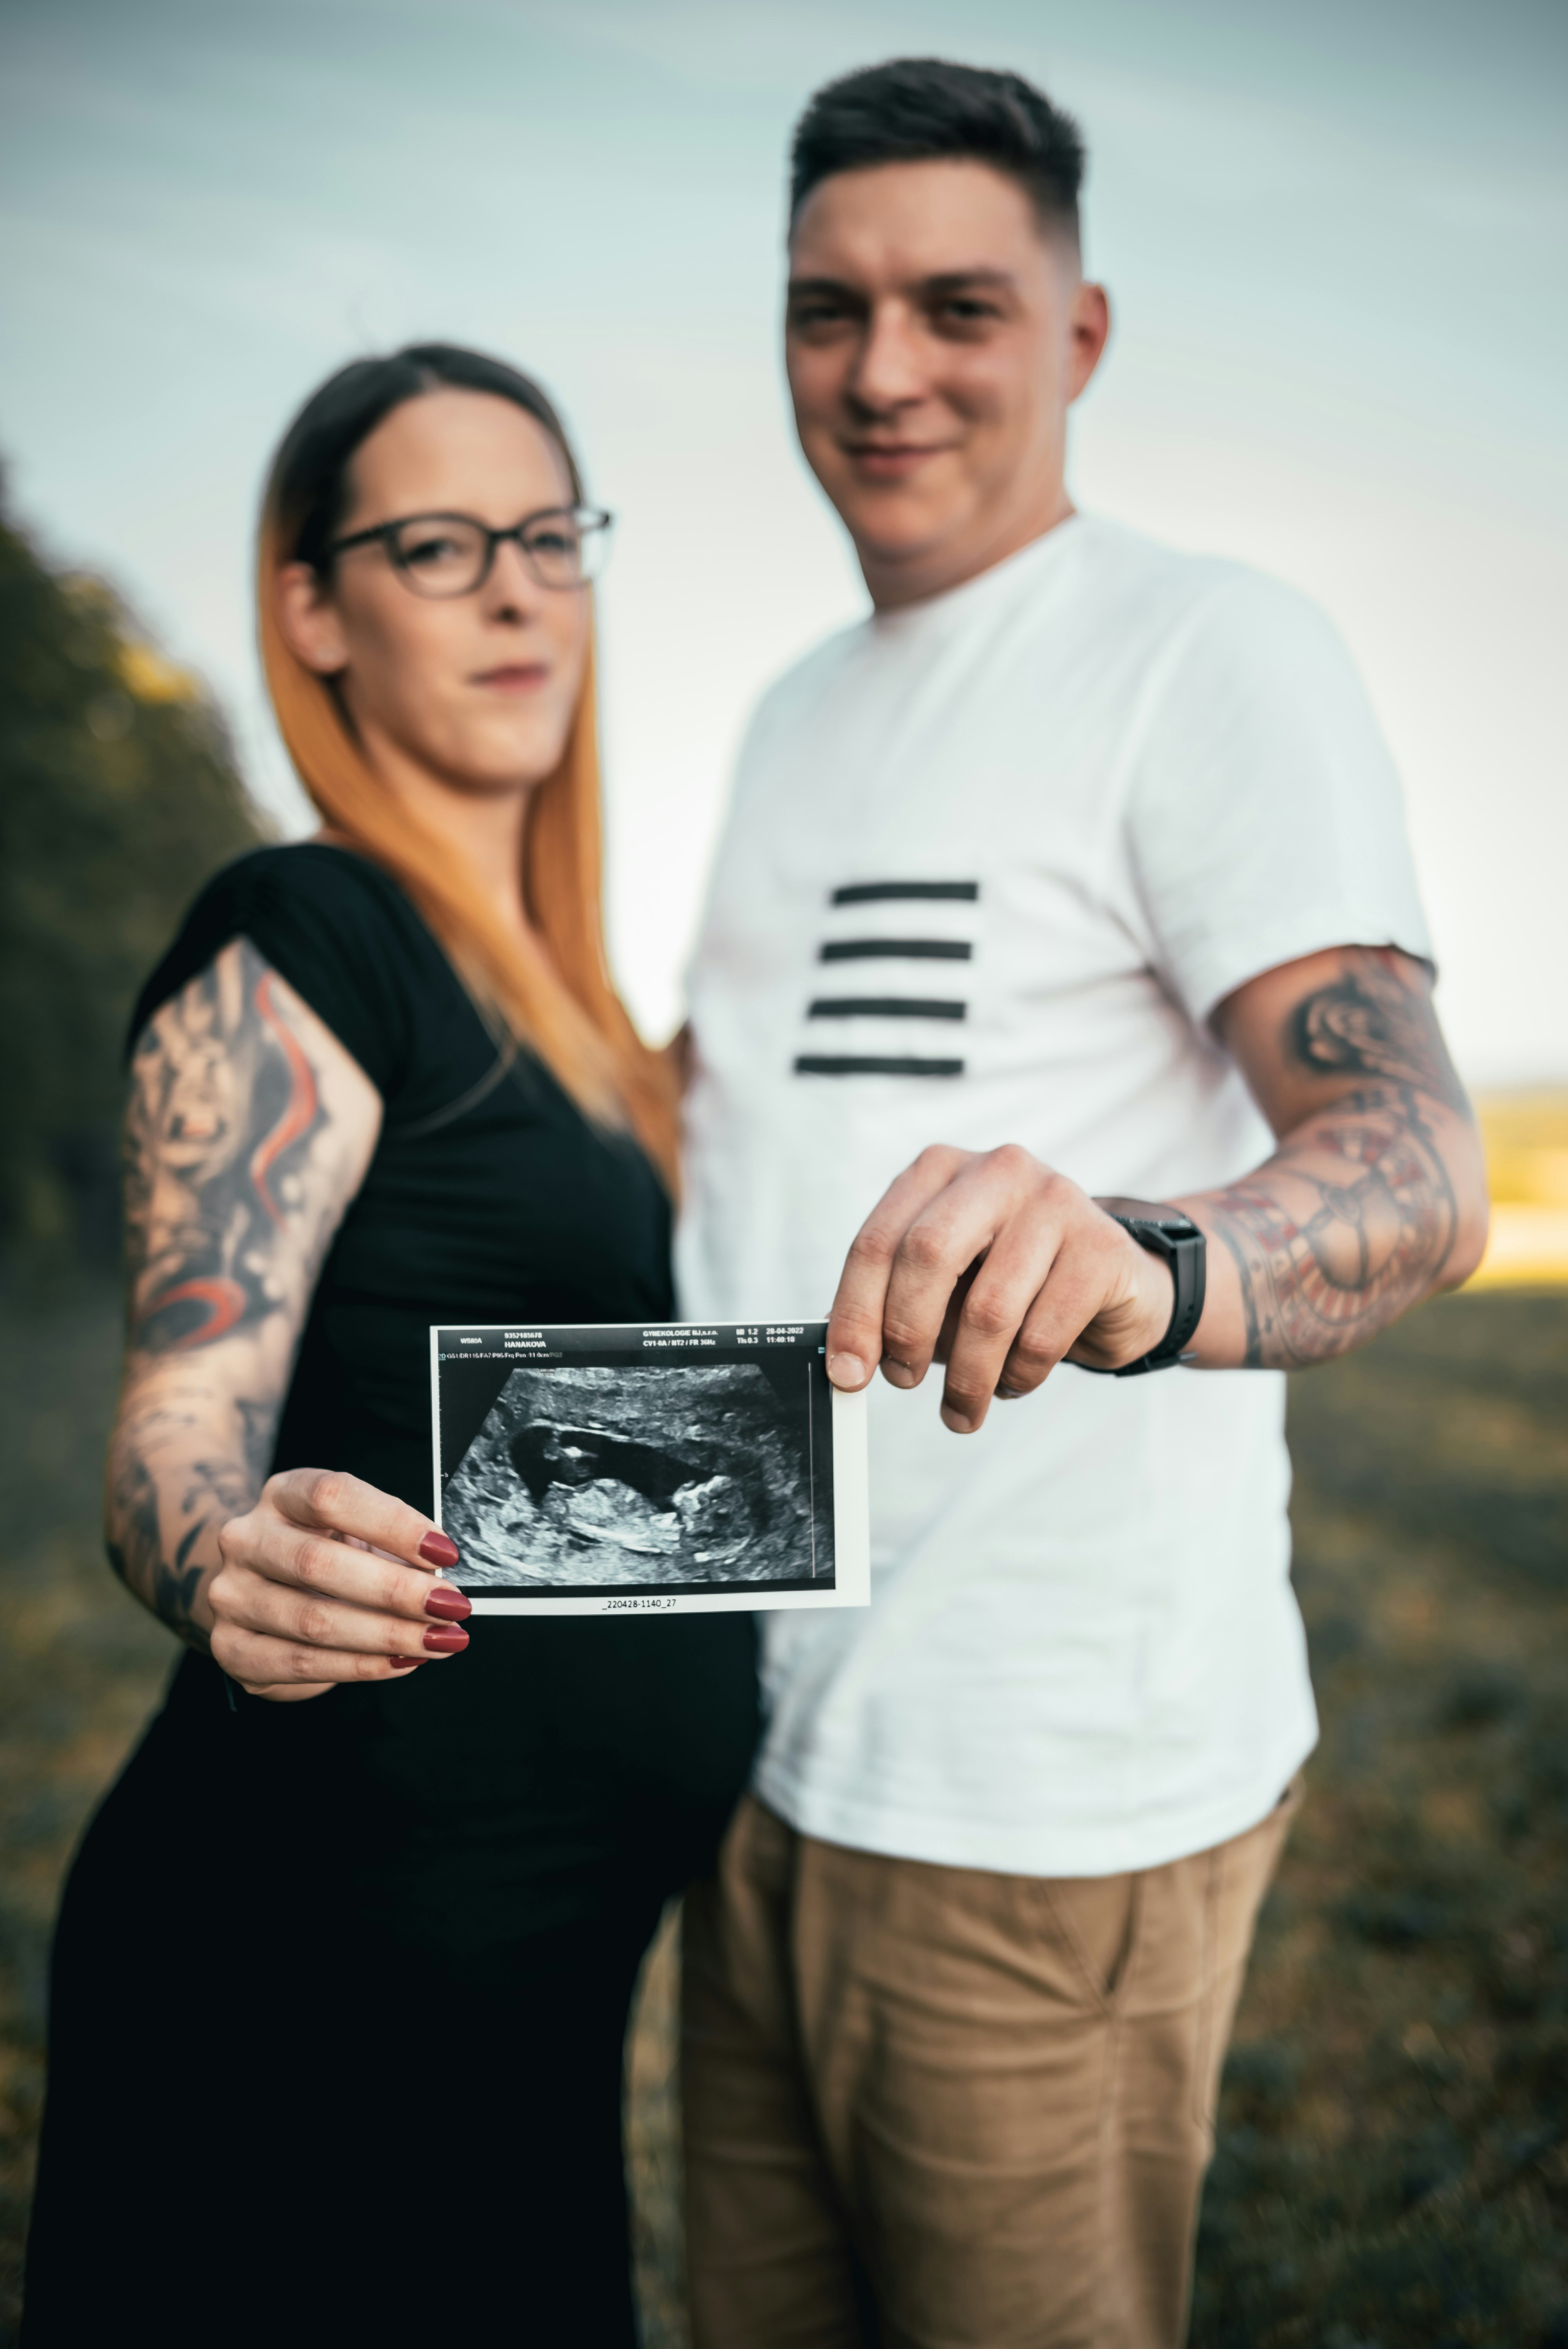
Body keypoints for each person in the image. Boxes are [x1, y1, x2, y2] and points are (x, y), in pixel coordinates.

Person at [676, 59, 1490, 2349]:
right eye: (827, 309)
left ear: (1083, 334)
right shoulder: (785, 714)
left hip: (1048, 1806)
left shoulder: (1205, 650)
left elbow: (1416, 1172)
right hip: (763, 1760)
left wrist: (1137, 1258)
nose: (886, 369)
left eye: (959, 304)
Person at [22, 344, 758, 2349]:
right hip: (310, 1980)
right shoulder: (304, 937)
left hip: (524, 1989)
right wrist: (223, 1557)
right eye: (438, 547)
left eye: (548, 536)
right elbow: (181, 1408)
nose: (518, 590)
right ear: (316, 611)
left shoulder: (580, 1020)